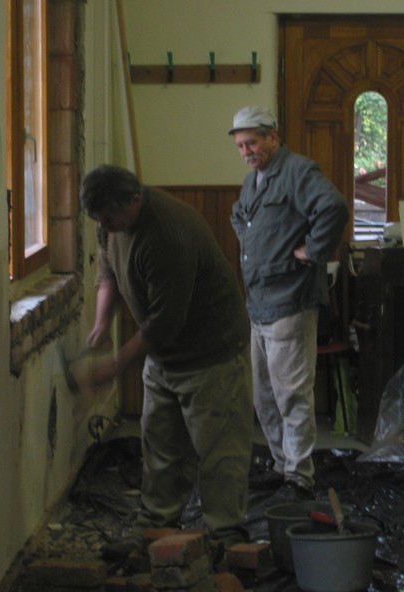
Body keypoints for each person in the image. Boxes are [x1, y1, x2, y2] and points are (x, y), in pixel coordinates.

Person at [78, 164, 254, 557]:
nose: (104, 225)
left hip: (212, 351)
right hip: (164, 357)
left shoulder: (168, 235)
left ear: (134, 199)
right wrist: (102, 321)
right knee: (159, 444)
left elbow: (164, 324)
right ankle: (154, 526)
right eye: (98, 219)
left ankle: (226, 537)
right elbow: (108, 268)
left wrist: (115, 366)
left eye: (109, 217)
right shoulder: (110, 222)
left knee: (219, 451)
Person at [228, 106, 349, 502]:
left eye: (252, 143)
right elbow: (238, 216)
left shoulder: (298, 172)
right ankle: (282, 466)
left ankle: (299, 476)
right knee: (264, 396)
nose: (246, 152)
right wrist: (255, 243)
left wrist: (312, 251)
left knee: (292, 395)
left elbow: (334, 207)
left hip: (290, 303)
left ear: (273, 137)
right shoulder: (253, 182)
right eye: (240, 146)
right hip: (259, 304)